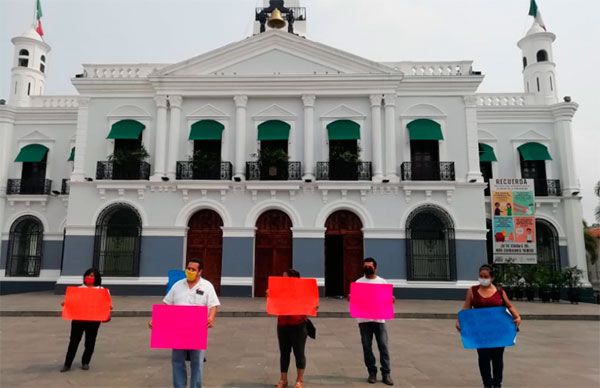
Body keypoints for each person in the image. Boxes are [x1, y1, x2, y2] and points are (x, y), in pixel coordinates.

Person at [150, 258, 219, 388]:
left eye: (193, 269)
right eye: (188, 268)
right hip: (178, 329)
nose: (190, 271)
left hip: (197, 329)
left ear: (200, 272)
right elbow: (166, 304)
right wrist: (156, 319)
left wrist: (211, 317)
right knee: (177, 360)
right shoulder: (178, 285)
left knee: (197, 361)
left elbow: (214, 305)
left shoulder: (207, 286)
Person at [456, 264, 522, 388]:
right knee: (483, 357)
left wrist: (517, 316)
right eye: (481, 276)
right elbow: (466, 308)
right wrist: (460, 320)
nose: (483, 279)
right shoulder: (472, 291)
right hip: (480, 332)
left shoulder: (499, 291)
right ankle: (487, 383)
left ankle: (497, 383)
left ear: (492, 278)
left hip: (498, 331)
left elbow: (509, 305)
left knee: (497, 357)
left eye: (486, 276)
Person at [60, 268, 111, 372]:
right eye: (88, 275)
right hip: (78, 319)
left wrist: (109, 307)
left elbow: (107, 304)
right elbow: (71, 303)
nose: (89, 277)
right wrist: (65, 304)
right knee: (74, 341)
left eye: (92, 276)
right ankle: (67, 364)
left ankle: (85, 362)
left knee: (90, 342)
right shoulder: (78, 289)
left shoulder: (102, 291)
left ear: (96, 278)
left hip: (93, 320)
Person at [355, 257, 394, 385]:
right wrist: (352, 298)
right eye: (365, 266)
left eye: (370, 266)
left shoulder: (382, 282)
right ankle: (371, 372)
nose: (367, 268)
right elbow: (356, 301)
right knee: (367, 347)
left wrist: (391, 299)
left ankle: (386, 373)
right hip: (363, 320)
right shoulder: (358, 282)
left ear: (375, 268)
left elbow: (387, 299)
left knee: (383, 347)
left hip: (379, 320)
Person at [274, 269, 311, 388]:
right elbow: (274, 305)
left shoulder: (303, 291)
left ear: (293, 279)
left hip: (298, 326)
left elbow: (311, 304)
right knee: (284, 353)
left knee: (299, 353)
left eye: (285, 277)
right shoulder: (279, 290)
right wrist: (270, 296)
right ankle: (283, 380)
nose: (282, 279)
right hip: (283, 325)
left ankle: (299, 380)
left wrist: (314, 305)